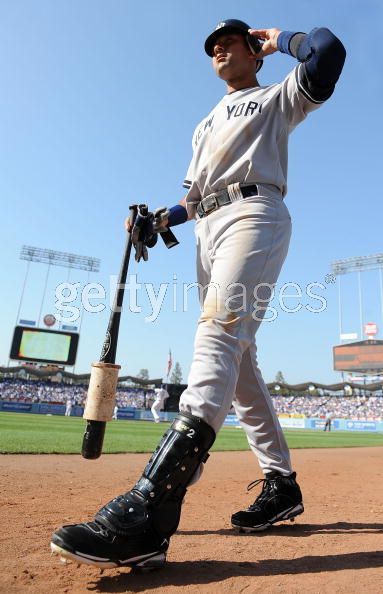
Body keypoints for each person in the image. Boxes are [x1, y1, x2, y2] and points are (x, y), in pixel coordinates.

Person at [51, 19, 345, 569]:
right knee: (241, 367)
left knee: (215, 336)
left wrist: (279, 39)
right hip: (209, 231)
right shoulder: (204, 123)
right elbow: (194, 198)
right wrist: (157, 219)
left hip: (255, 213)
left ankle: (151, 509)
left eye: (230, 40)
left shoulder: (276, 97)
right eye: (213, 45)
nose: (218, 48)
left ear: (254, 54)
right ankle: (281, 482)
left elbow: (329, 53)